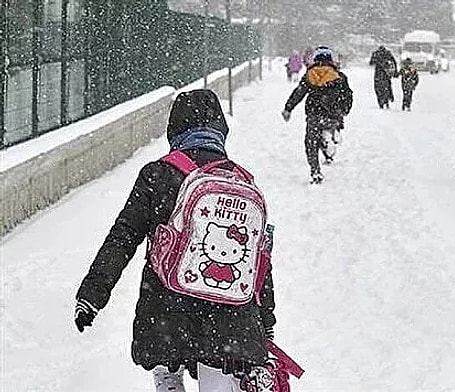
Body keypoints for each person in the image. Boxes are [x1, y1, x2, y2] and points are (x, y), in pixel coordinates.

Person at [73, 90, 277, 391]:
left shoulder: (157, 175)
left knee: (166, 362)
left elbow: (123, 236)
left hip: (166, 310)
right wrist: (265, 320)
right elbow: (258, 260)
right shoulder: (241, 181)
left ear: (175, 130)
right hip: (229, 319)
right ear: (220, 130)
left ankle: (168, 379)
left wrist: (92, 294)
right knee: (220, 379)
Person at [282, 46, 353, 184]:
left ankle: (315, 171)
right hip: (333, 115)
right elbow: (348, 96)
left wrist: (288, 108)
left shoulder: (310, 75)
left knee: (311, 142)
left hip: (314, 114)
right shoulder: (340, 77)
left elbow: (299, 93)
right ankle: (333, 135)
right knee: (330, 129)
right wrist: (344, 110)